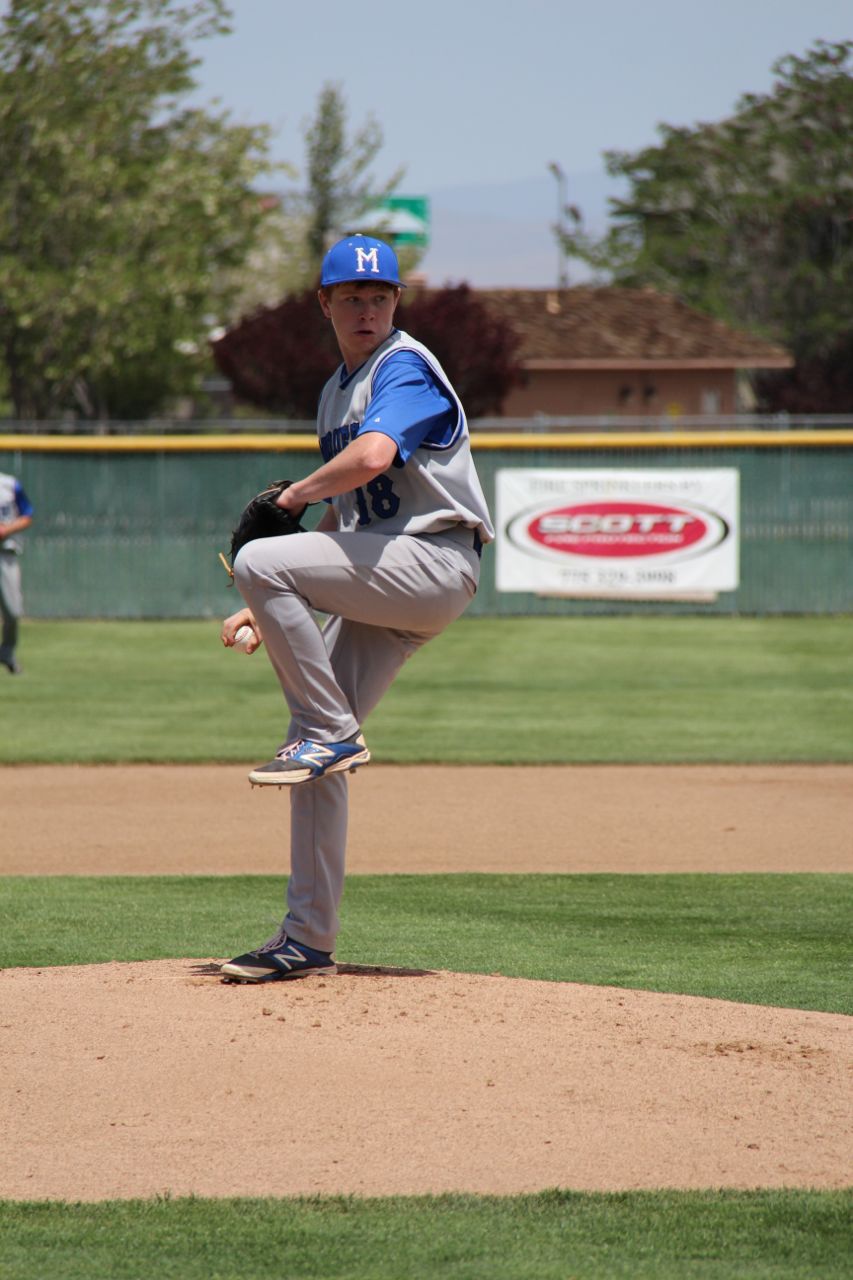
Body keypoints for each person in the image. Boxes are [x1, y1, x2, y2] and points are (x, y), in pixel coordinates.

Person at [219, 233, 494, 983]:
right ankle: (306, 939)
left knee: (261, 561)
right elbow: (349, 517)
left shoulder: (403, 366)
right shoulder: (335, 390)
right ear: (326, 304)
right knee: (310, 757)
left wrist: (292, 499)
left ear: (395, 301)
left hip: (434, 559)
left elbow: (372, 458)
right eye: (352, 298)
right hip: (388, 569)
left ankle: (332, 732)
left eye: (379, 296)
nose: (367, 309)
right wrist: (259, 607)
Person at [0, 471, 35, 676]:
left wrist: (7, 529)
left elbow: (28, 515)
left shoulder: (9, 485)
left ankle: (6, 652)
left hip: (6, 554)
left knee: (13, 611)